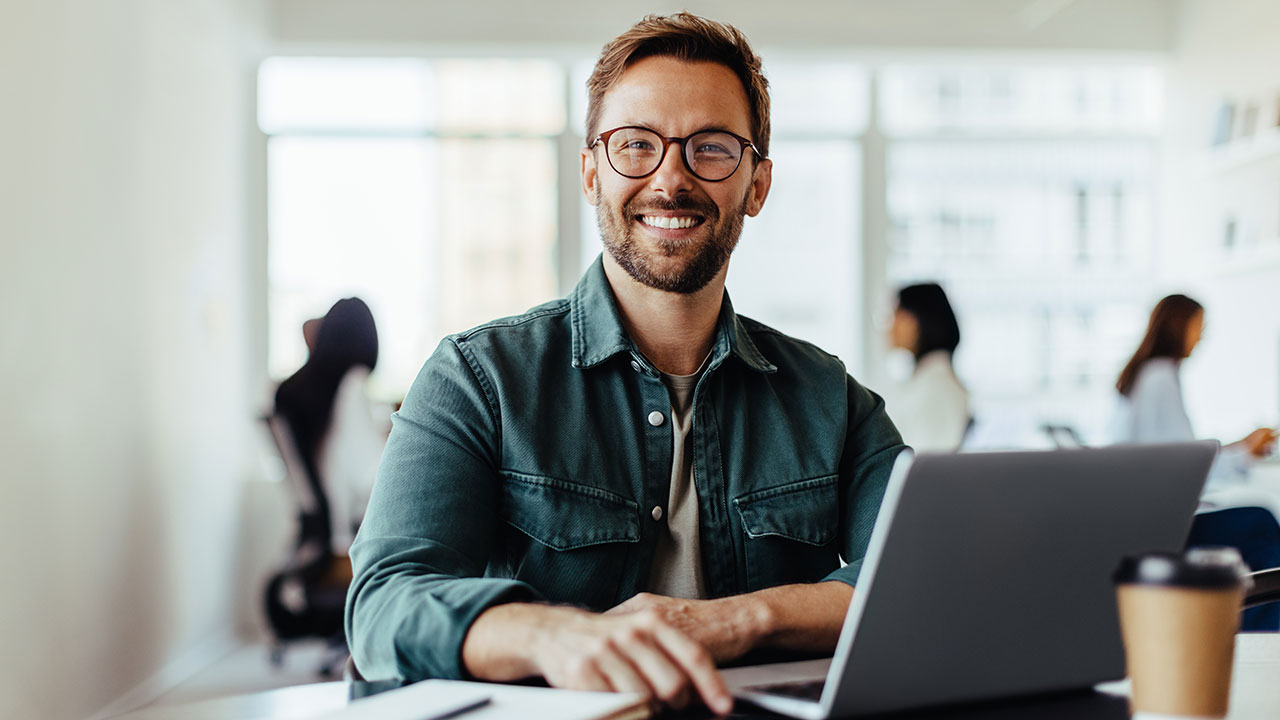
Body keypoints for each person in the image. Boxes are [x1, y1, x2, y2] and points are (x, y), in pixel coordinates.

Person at [345, 13, 904, 716]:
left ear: (757, 185)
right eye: (636, 144)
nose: (671, 179)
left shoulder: (833, 400)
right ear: (590, 173)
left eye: (710, 148)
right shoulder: (477, 380)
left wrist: (737, 619)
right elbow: (384, 603)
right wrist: (551, 634)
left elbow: (921, 578)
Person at [1111, 293, 1276, 487]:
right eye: (1198, 327)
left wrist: (1243, 444)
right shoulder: (1161, 378)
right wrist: (1245, 453)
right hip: (1158, 495)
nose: (1200, 337)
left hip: (1145, 491)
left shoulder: (1150, 373)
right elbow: (1187, 462)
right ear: (1178, 327)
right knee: (1261, 505)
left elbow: (1182, 451)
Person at [274, 296, 384, 556]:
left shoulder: (292, 391)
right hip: (349, 540)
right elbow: (369, 478)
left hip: (314, 537)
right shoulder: (351, 386)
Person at [885, 283, 970, 452]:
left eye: (897, 314)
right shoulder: (930, 380)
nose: (890, 326)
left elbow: (921, 460)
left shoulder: (936, 388)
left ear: (917, 321)